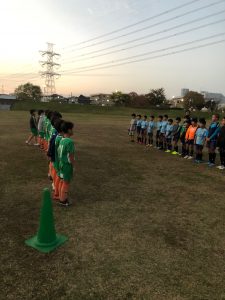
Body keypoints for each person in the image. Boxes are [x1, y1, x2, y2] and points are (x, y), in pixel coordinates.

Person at [58, 121, 76, 206]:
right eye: (72, 129)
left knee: (62, 181)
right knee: (66, 183)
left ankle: (61, 197)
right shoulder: (70, 142)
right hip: (66, 165)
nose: (73, 131)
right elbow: (71, 156)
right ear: (69, 130)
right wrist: (73, 165)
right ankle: (63, 200)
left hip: (61, 163)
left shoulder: (62, 140)